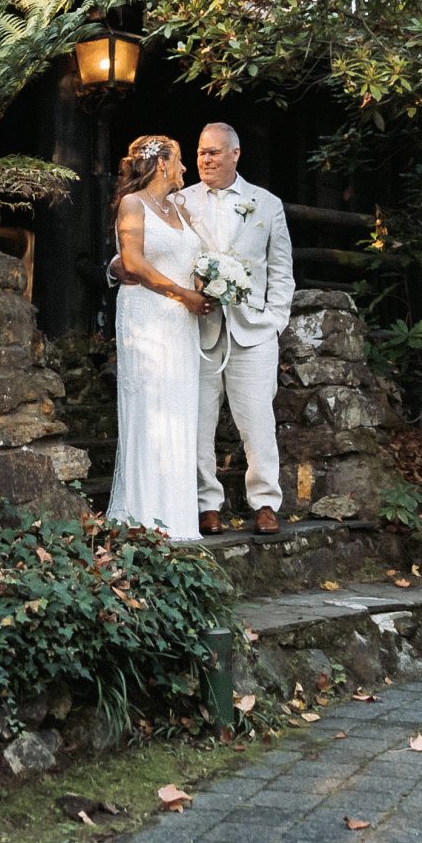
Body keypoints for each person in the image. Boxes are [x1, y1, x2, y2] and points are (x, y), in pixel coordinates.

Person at [176, 123, 294, 535]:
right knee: (199, 419)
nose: (205, 160)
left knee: (257, 420)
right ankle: (206, 503)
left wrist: (275, 322)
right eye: (200, 152)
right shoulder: (180, 201)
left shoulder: (266, 203)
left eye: (213, 153)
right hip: (200, 329)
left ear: (235, 154)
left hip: (253, 332)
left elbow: (281, 270)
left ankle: (264, 503)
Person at [105, 135, 211, 538]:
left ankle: (178, 519)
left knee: (179, 412)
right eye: (181, 161)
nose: (185, 169)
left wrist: (207, 282)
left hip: (180, 324)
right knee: (150, 411)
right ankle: (144, 516)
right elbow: (132, 261)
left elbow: (190, 257)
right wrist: (183, 293)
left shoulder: (179, 209)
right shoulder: (133, 205)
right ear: (162, 164)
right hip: (147, 318)